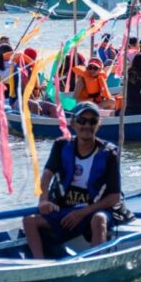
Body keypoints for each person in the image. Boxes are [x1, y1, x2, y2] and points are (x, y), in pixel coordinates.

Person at [22, 101, 122, 259]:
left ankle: (94, 263)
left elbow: (114, 197)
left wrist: (82, 213)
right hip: (65, 209)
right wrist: (44, 200)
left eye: (92, 121)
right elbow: (47, 175)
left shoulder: (109, 153)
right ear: (73, 123)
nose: (87, 126)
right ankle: (39, 264)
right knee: (29, 221)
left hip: (93, 210)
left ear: (99, 124)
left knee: (99, 219)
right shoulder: (61, 145)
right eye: (82, 121)